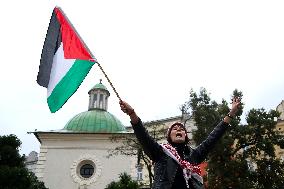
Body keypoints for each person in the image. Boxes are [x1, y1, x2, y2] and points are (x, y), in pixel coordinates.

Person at [120, 97, 241, 189]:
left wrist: (231, 113)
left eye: (182, 129)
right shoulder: (160, 153)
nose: (178, 129)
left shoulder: (194, 155)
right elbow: (143, 136)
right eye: (174, 128)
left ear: (186, 136)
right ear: (169, 136)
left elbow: (213, 137)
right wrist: (132, 113)